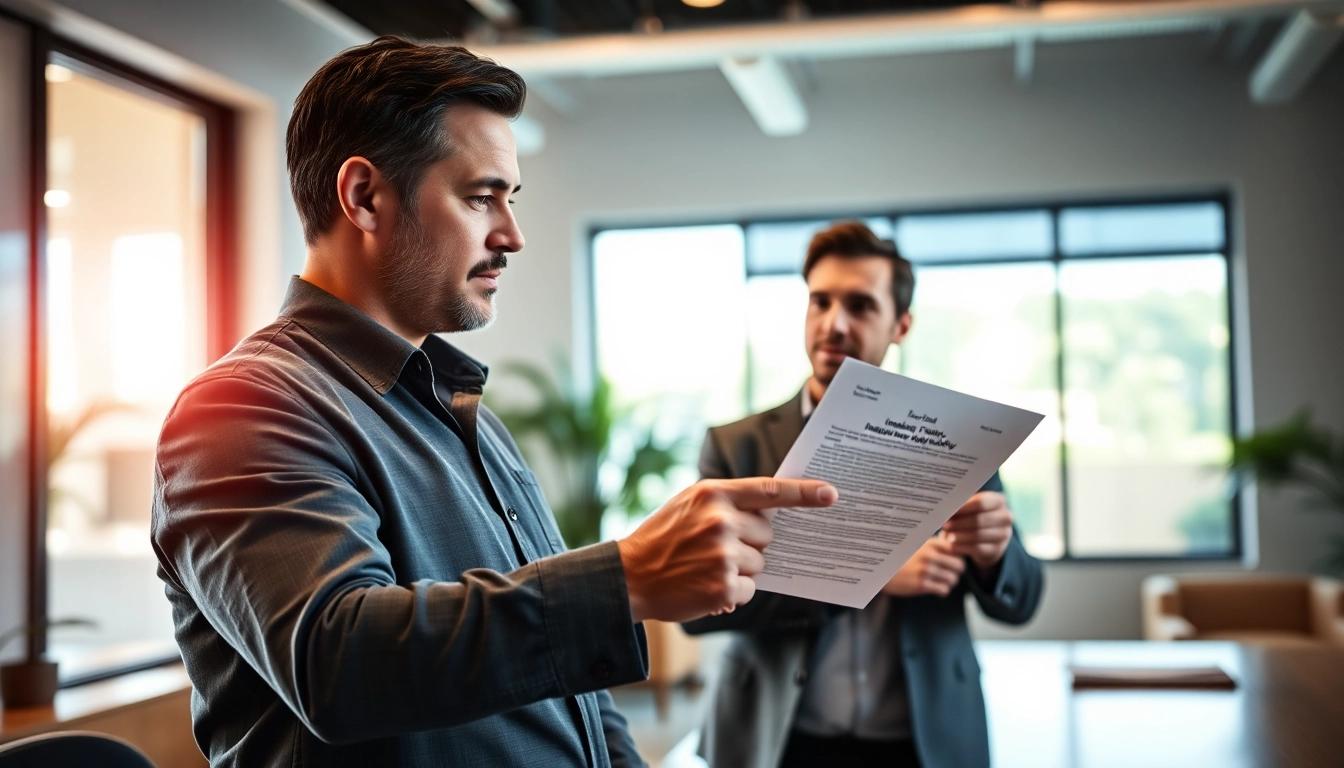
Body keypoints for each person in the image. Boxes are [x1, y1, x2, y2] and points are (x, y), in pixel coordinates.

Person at [150, 37, 838, 768]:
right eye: (481, 197)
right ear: (365, 197)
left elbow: (578, 697)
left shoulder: (470, 416)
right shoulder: (244, 406)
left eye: (510, 199)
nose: (512, 235)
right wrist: (626, 579)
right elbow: (339, 663)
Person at [684, 221, 1044, 768]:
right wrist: (866, 575)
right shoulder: (736, 449)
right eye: (820, 301)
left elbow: (1025, 601)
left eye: (860, 306)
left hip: (924, 741)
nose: (834, 324)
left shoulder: (960, 437)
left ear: (902, 324)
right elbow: (697, 609)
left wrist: (997, 555)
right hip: (778, 739)